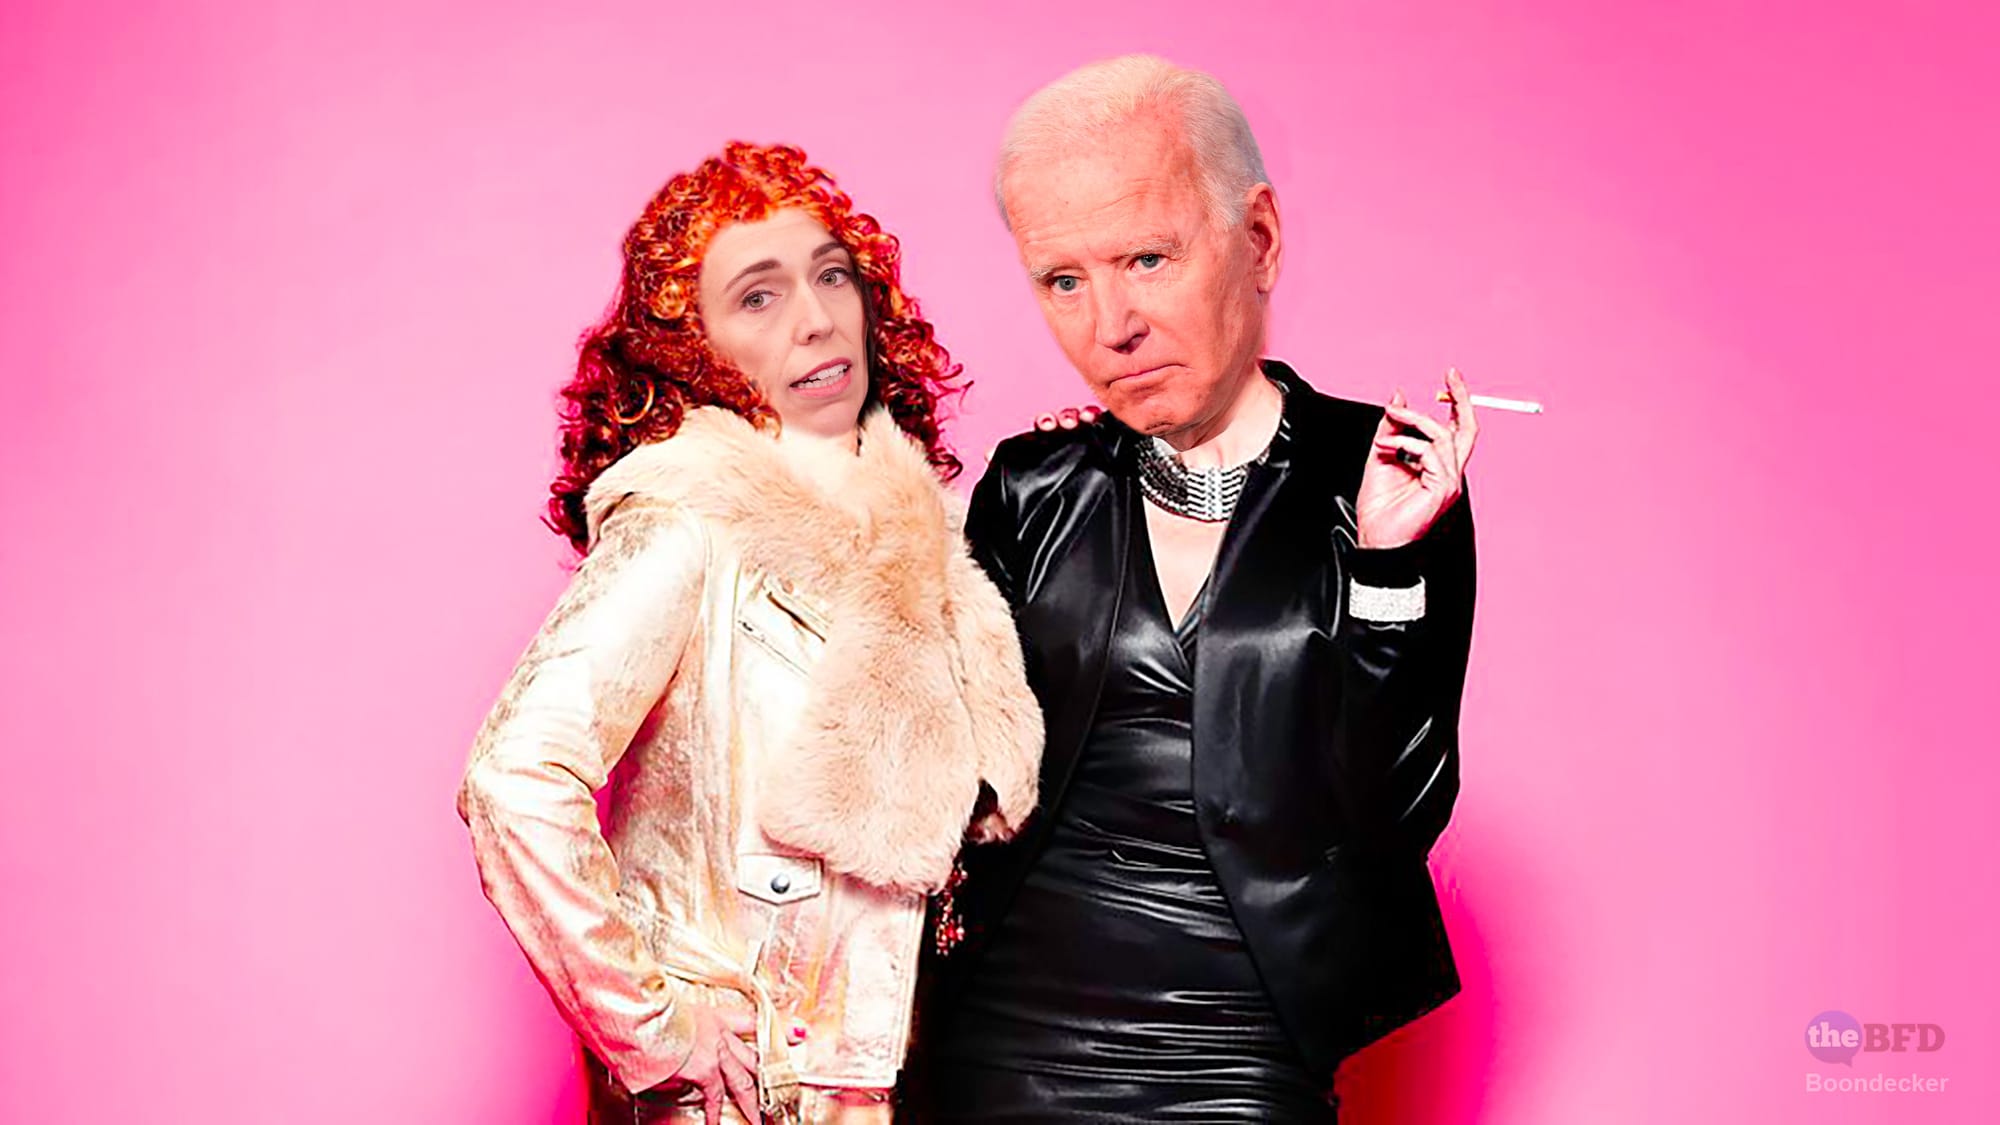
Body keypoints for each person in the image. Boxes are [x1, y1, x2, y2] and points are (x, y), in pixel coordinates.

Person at [911, 57, 1480, 1121]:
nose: (1110, 325)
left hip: (1244, 1048)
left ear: (1256, 240)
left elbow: (1395, 814)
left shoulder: (1385, 473)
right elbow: (939, 774)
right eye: (1062, 280)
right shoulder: (1035, 485)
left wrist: (1386, 565)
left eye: (1147, 258)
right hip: (1004, 1040)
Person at [457, 142, 1042, 1125]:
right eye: (758, 297)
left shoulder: (920, 543)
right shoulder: (689, 523)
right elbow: (513, 777)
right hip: (745, 1097)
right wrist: (652, 1028)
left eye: (829, 276)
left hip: (894, 1085)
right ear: (699, 349)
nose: (814, 317)